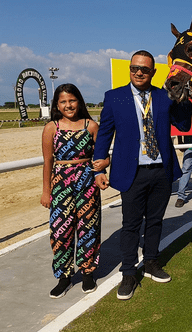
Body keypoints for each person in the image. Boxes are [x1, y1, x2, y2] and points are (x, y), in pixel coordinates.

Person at [93, 50, 192, 301]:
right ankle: (128, 273)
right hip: (131, 172)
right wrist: (100, 169)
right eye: (135, 68)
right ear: (130, 69)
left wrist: (183, 99)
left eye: (145, 69)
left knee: (156, 221)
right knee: (131, 225)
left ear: (153, 72)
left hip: (161, 170)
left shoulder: (162, 96)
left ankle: (150, 263)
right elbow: (104, 135)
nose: (139, 72)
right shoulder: (115, 98)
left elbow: (183, 124)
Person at [40, 83, 109, 299]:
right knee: (61, 231)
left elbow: (103, 155)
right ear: (57, 105)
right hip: (60, 183)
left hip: (87, 181)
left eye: (72, 100)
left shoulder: (91, 126)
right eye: (63, 101)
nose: (68, 105)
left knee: (88, 228)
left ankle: (88, 274)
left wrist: (105, 164)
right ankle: (64, 278)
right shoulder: (52, 127)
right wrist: (46, 191)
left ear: (79, 101)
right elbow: (47, 161)